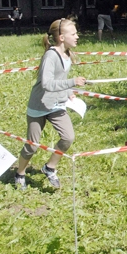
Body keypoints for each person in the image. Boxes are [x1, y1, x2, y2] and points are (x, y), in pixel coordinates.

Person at [14, 19, 86, 189]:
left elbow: (59, 79)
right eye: (73, 34)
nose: (77, 36)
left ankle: (49, 167)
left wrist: (68, 92)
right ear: (61, 37)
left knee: (68, 137)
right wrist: (72, 82)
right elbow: (47, 83)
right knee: (32, 145)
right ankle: (20, 173)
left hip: (56, 105)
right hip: (39, 105)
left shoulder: (67, 54)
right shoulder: (51, 56)